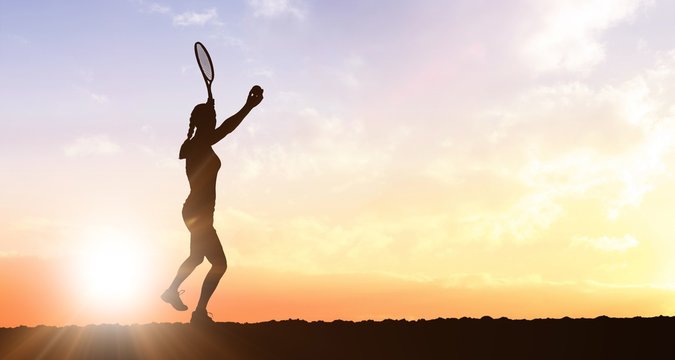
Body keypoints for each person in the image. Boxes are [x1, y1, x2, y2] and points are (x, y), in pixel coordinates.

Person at [162, 86, 263, 324]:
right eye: (212, 118)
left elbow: (218, 129)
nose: (216, 121)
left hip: (196, 212)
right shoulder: (198, 144)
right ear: (204, 122)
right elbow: (226, 129)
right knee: (219, 264)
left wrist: (209, 108)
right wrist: (248, 107)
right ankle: (198, 313)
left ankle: (173, 292)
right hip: (198, 214)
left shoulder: (198, 144)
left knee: (197, 258)